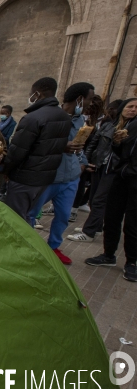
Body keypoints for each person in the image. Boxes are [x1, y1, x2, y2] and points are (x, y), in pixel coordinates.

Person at [27, 82, 95, 265]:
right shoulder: (52, 116)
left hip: (70, 178)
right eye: (89, 99)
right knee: (32, 213)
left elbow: (79, 148)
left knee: (63, 215)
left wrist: (82, 163)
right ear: (80, 99)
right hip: (49, 176)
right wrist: (61, 147)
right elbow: (38, 145)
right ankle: (28, 246)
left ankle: (54, 247)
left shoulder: (81, 121)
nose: (90, 103)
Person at [3, 77, 71, 224]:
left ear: (38, 94)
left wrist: (6, 169)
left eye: (31, 93)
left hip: (24, 177)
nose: (30, 97)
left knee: (14, 218)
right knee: (28, 215)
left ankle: (16, 245)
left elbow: (17, 151)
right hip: (45, 178)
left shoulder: (32, 118)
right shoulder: (64, 117)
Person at [85, 98, 137, 282]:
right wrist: (117, 143)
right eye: (130, 106)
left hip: (132, 179)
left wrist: (127, 169)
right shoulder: (119, 126)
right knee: (112, 217)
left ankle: (131, 262)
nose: (133, 110)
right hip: (119, 178)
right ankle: (108, 255)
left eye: (136, 107)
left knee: (132, 223)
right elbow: (120, 152)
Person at [67, 99, 124, 242]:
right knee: (94, 197)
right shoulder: (107, 124)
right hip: (99, 165)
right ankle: (95, 226)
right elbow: (95, 143)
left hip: (110, 168)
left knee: (98, 200)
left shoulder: (117, 126)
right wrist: (88, 161)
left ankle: (89, 232)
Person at [68, 95, 104, 222]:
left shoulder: (99, 122)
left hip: (81, 155)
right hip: (73, 154)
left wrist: (85, 160)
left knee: (79, 183)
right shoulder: (79, 118)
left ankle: (73, 210)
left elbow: (93, 143)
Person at [0, 105, 17, 199]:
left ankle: (1, 191)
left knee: (3, 171)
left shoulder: (12, 124)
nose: (1, 115)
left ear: (8, 114)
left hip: (5, 149)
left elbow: (9, 137)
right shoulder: (1, 123)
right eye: (1, 113)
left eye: (3, 113)